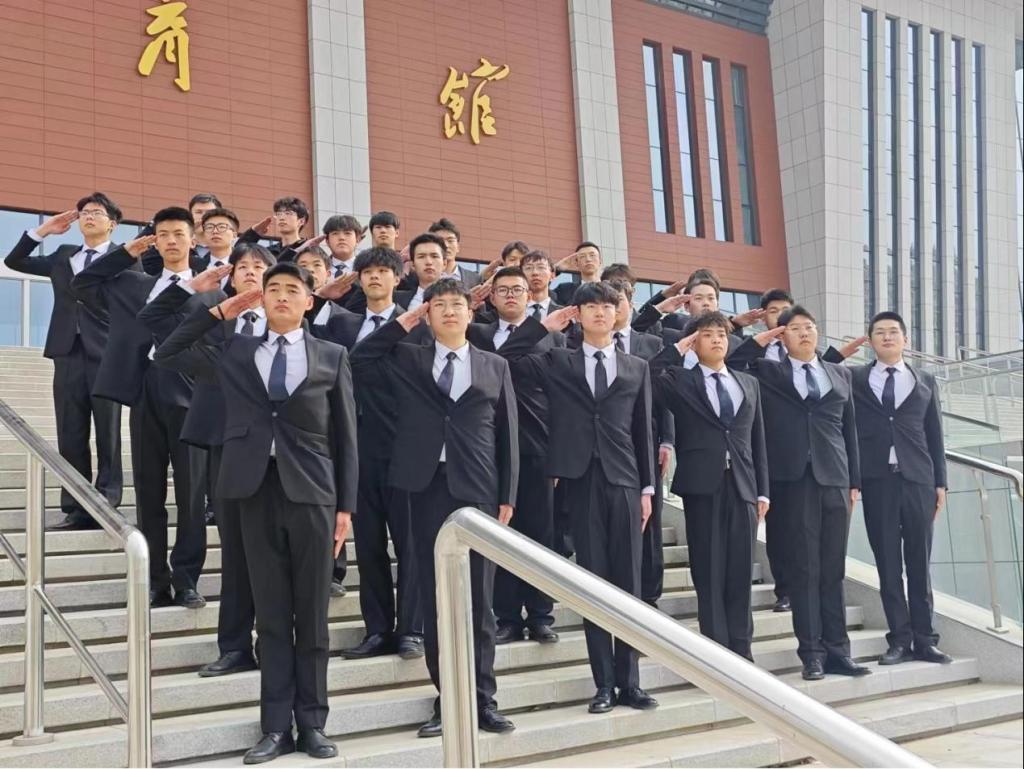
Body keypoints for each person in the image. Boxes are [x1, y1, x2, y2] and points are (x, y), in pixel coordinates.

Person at [155, 261, 358, 764]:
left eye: (293, 289)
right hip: (251, 490)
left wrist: (346, 507)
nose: (282, 296)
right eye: (274, 290)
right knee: (269, 615)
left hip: (312, 494)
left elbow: (346, 436)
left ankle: (313, 723)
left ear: (310, 300)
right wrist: (220, 310)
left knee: (312, 615)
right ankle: (274, 727)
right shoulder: (236, 351)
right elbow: (169, 351)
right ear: (261, 300)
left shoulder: (332, 355)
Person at [349, 278, 518, 738]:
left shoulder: (495, 364)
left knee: (480, 602)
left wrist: (508, 494)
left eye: (456, 304)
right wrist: (402, 323)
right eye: (438, 304)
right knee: (435, 597)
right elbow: (359, 360)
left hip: (478, 488)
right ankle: (448, 699)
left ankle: (483, 699)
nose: (448, 311)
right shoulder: (407, 358)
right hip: (422, 487)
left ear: (470, 313)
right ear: (427, 314)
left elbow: (507, 433)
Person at [496, 281, 658, 715]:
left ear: (618, 312)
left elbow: (644, 429)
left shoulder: (636, 366)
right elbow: (507, 359)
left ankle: (630, 682)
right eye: (591, 306)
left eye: (608, 306)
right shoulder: (558, 360)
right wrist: (543, 326)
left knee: (629, 583)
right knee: (593, 581)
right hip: (579, 479)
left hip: (625, 480)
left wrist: (647, 488)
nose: (600, 312)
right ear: (578, 315)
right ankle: (603, 684)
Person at [138, 243, 276, 677]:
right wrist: (195, 294)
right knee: (235, 554)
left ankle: (274, 642)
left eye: (260, 266)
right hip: (226, 448)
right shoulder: (214, 324)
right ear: (230, 277)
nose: (250, 272)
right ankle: (234, 646)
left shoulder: (293, 328)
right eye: (243, 266)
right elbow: (155, 327)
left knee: (273, 556)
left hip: (281, 457)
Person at [71, 207, 207, 609]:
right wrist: (126, 252)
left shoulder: (210, 288)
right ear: (154, 242)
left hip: (192, 399)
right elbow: (83, 283)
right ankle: (154, 581)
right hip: (144, 393)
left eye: (178, 233)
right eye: (162, 234)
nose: (171, 240)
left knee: (191, 496)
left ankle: (187, 580)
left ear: (192, 240)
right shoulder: (132, 283)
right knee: (149, 495)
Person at [731, 306, 868, 681]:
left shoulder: (839, 373)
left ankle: (839, 651)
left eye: (809, 327)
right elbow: (733, 361)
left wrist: (854, 481)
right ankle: (812, 653)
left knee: (833, 569)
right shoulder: (770, 373)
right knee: (804, 569)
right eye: (794, 328)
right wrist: (761, 340)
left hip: (835, 479)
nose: (804, 333)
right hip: (793, 481)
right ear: (782, 336)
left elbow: (850, 431)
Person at [309, 247, 425, 660]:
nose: (375, 277)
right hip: (358, 449)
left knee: (410, 546)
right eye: (368, 272)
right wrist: (321, 298)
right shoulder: (341, 324)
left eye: (383, 271)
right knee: (370, 545)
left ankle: (412, 629)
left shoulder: (418, 326)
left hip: (406, 449)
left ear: (398, 278)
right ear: (358, 280)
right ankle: (377, 629)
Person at [649, 313, 769, 659]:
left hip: (743, 486)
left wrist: (762, 490)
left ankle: (742, 650)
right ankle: (716, 651)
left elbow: (757, 439)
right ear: (693, 343)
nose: (717, 339)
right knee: (709, 568)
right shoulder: (681, 381)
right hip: (703, 486)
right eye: (707, 334)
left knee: (741, 569)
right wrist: (678, 349)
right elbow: (649, 376)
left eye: (722, 334)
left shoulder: (748, 383)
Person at [3, 194, 125, 531]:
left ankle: (107, 501)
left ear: (112, 223)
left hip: (106, 353)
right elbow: (15, 261)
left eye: (96, 212)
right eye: (84, 212)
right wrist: (43, 230)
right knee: (70, 431)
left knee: (108, 432)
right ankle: (76, 506)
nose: (88, 217)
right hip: (67, 350)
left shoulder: (125, 257)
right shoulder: (63, 255)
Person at [469, 267, 563, 645]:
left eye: (518, 289)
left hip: (536, 449)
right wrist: (536, 330)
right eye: (503, 289)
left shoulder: (553, 338)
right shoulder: (477, 335)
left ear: (530, 295)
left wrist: (558, 455)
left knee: (540, 535)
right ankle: (506, 615)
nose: (510, 295)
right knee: (500, 535)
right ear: (491, 298)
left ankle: (540, 615)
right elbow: (497, 364)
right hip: (489, 451)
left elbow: (560, 398)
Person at [854, 311, 952, 666]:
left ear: (905, 339)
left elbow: (935, 434)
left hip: (918, 480)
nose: (887, 337)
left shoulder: (924, 379)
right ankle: (899, 640)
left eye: (893, 332)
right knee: (888, 563)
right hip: (877, 481)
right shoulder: (855, 379)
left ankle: (926, 640)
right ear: (870, 341)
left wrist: (940, 482)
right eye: (879, 332)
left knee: (919, 562)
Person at [239, 197, 310, 257]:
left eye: (288, 213)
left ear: (301, 221)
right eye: (279, 214)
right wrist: (253, 233)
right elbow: (239, 254)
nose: (281, 218)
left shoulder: (308, 249)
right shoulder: (268, 253)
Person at [428, 217, 482, 288]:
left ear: (458, 247)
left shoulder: (474, 279)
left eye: (450, 241)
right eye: (440, 241)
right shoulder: (421, 277)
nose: (446, 245)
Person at [398, 233, 447, 310]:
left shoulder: (460, 299)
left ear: (444, 263)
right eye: (421, 257)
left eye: (434, 256)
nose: (429, 262)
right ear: (413, 264)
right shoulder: (397, 300)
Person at [551, 241, 602, 306]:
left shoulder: (611, 289)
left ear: (600, 260)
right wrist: (556, 269)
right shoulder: (564, 290)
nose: (588, 259)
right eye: (582, 256)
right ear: (577, 263)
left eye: (592, 255)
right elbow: (542, 296)